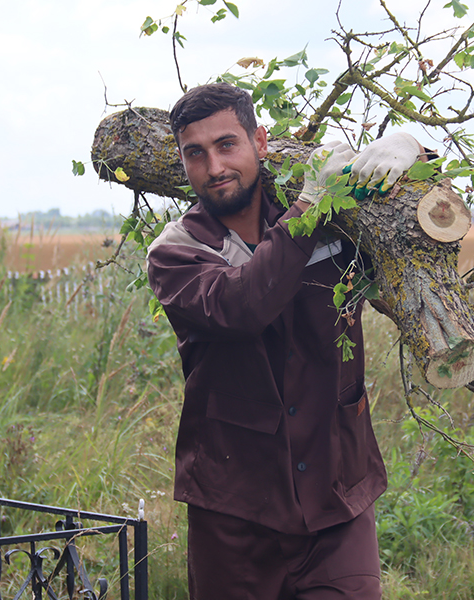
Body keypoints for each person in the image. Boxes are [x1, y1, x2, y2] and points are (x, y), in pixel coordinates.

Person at [146, 82, 424, 599]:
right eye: (195, 153)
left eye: (227, 144)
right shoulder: (175, 251)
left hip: (335, 496)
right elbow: (242, 307)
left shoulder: (342, 218)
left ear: (261, 142)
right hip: (234, 512)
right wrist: (311, 206)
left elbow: (418, 224)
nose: (214, 167)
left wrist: (410, 146)